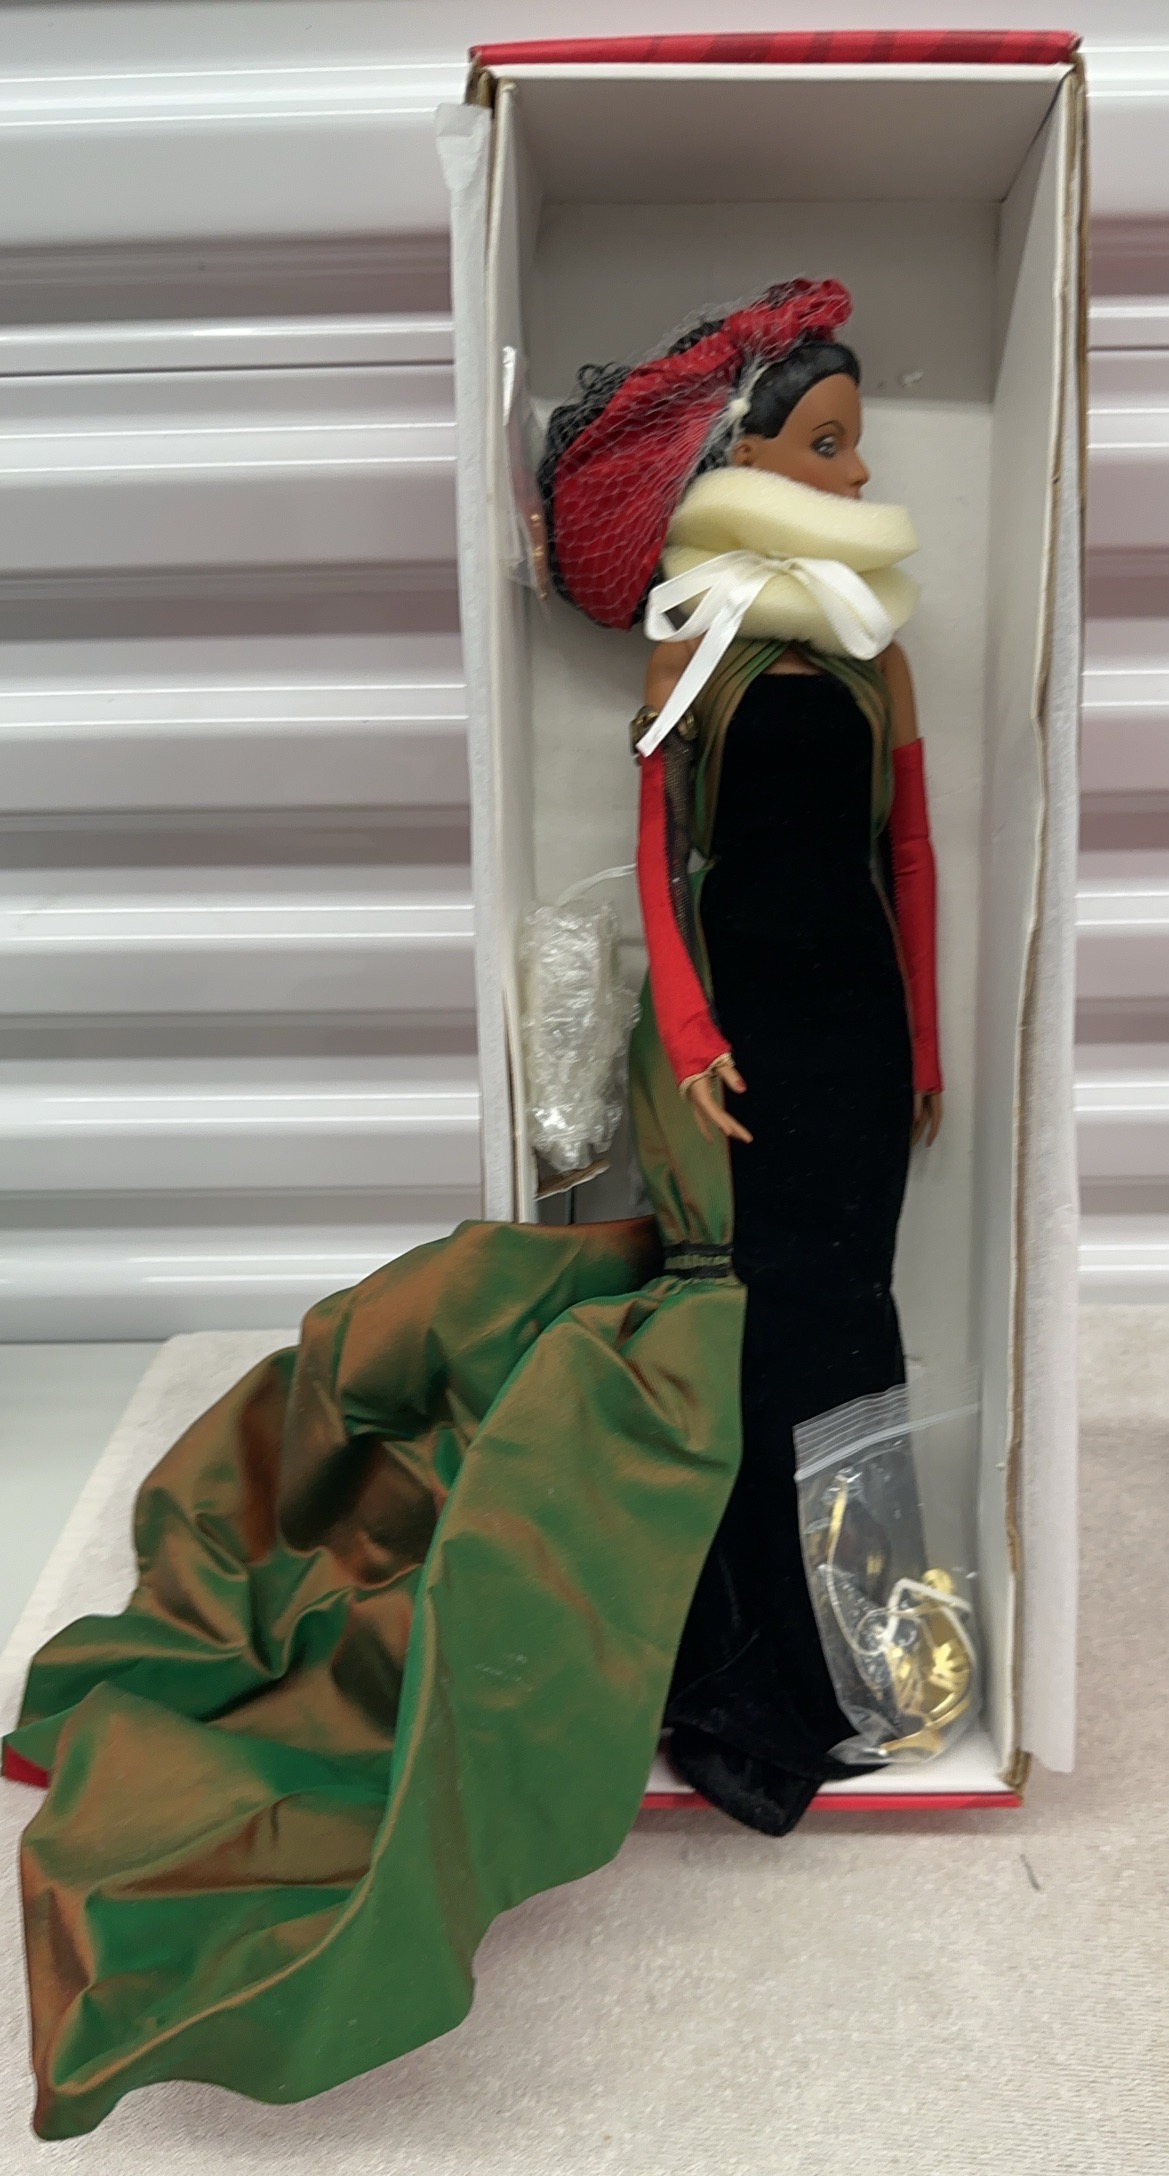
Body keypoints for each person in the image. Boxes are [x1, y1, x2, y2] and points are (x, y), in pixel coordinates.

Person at [1, 280, 941, 2139]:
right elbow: (669, 878)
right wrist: (688, 1041)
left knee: (854, 1324)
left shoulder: (866, 654)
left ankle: (880, 1653)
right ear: (739, 461)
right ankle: (745, 1673)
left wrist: (923, 1038)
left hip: (854, 1043)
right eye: (824, 443)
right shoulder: (694, 657)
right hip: (734, 1056)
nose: (854, 473)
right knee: (752, 1337)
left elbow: (905, 851)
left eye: (857, 445)